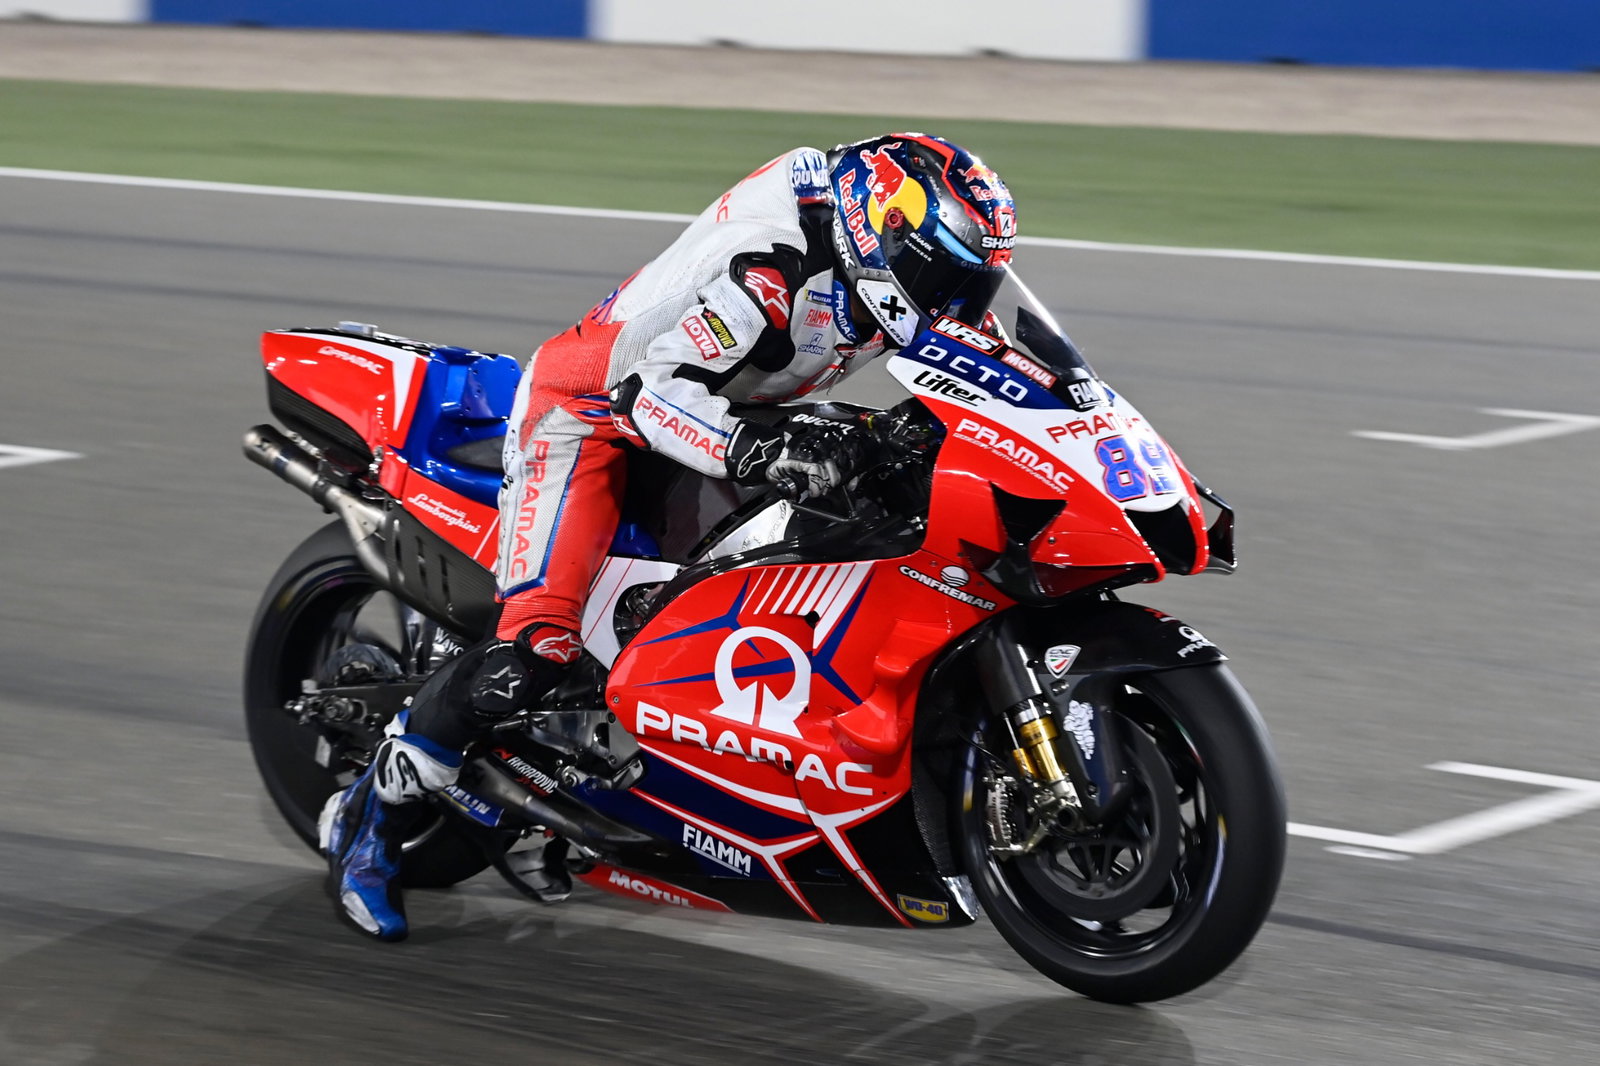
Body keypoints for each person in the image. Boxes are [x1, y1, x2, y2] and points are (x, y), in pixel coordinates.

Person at [319, 133, 1018, 940]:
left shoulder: (889, 266)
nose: (956, 300)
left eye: (976, 280)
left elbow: (988, 361)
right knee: (538, 649)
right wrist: (761, 449)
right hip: (595, 418)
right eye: (943, 275)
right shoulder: (770, 269)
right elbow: (646, 392)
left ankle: (593, 794)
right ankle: (366, 821)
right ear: (880, 230)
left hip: (726, 414)